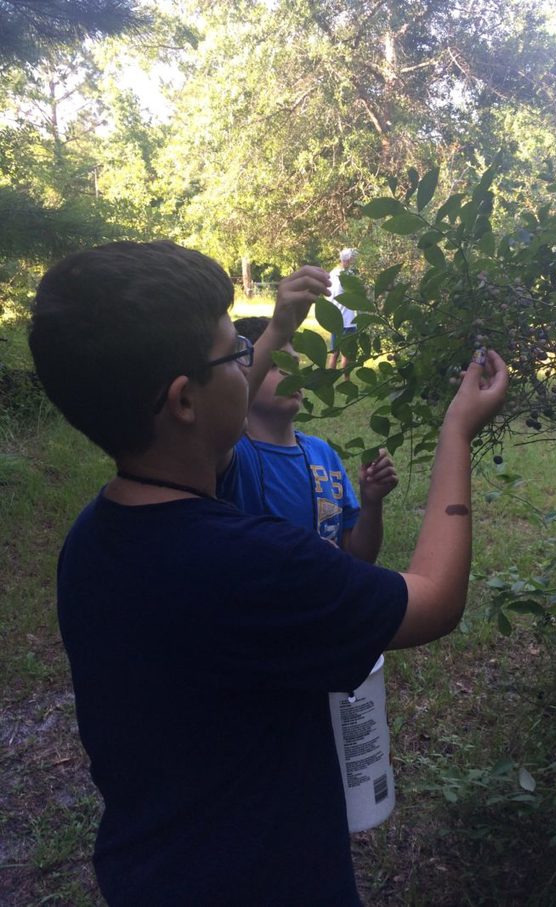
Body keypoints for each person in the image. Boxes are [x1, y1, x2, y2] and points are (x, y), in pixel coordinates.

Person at [28, 239, 508, 907]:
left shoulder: (94, 538)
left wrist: (279, 327)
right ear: (185, 400)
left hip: (151, 869)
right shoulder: (254, 563)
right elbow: (435, 600)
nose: (252, 364)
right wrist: (457, 433)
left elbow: (209, 433)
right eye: (237, 354)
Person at [219, 315, 397, 561]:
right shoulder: (230, 455)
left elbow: (358, 557)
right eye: (272, 364)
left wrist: (372, 502)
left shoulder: (323, 454)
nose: (289, 373)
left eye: (293, 363)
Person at [327, 247, 359, 372]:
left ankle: (329, 381)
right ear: (348, 259)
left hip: (335, 319)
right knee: (347, 353)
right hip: (348, 320)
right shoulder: (348, 275)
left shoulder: (331, 273)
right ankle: (346, 381)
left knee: (334, 352)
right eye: (352, 258)